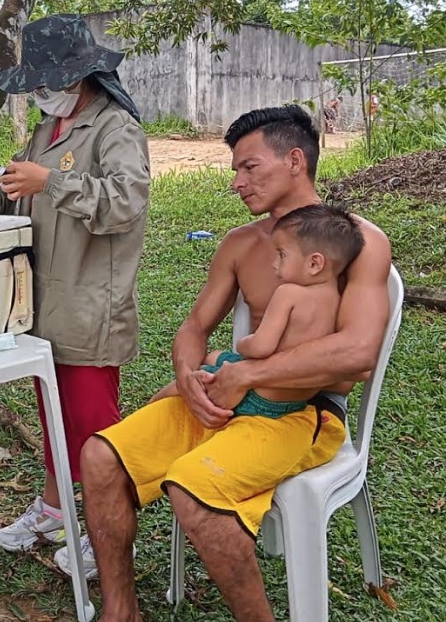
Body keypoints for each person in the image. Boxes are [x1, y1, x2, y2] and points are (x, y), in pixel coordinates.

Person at [73, 105, 393, 622]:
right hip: (226, 398)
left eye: (249, 167)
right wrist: (186, 375)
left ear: (294, 160)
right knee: (99, 458)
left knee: (196, 496)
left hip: (302, 413)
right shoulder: (241, 246)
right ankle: (119, 609)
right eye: (234, 172)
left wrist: (249, 373)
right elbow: (194, 329)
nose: (237, 183)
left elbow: (357, 354)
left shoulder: (354, 244)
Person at [0, 14, 150, 561]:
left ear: (79, 75)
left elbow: (126, 202)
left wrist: (52, 181)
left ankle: (108, 533)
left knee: (93, 425)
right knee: (54, 414)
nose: (40, 92)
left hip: (90, 305)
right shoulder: (48, 128)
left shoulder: (116, 128)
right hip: (43, 301)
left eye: (46, 81)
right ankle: (56, 510)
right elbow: (21, 182)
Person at [200, 203, 365, 420]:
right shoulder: (339, 300)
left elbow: (261, 347)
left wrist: (243, 343)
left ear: (315, 264)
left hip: (260, 397)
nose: (273, 264)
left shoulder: (287, 294)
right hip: (296, 401)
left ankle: (153, 405)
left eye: (281, 255)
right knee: (214, 357)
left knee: (195, 379)